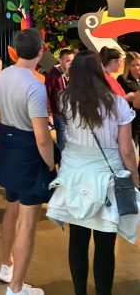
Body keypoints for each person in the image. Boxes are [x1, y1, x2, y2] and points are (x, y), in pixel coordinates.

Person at [47, 50, 140, 295]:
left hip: (75, 175)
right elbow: (126, 149)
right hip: (106, 177)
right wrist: (135, 179)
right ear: (99, 70)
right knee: (105, 244)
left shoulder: (66, 99)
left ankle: (79, 292)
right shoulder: (117, 102)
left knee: (77, 240)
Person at [0, 28, 55, 295]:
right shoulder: (34, 85)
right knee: (28, 222)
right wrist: (52, 167)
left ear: (15, 50)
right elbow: (42, 138)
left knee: (11, 208)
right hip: (29, 154)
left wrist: (12, 127)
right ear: (41, 52)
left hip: (8, 148)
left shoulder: (2, 76)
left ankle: (6, 266)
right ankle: (16, 288)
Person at [45, 49, 75, 151]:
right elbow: (46, 94)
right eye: (67, 61)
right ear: (60, 60)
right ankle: (62, 165)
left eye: (72, 60)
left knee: (72, 144)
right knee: (62, 144)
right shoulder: (53, 75)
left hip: (72, 114)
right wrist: (49, 114)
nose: (70, 63)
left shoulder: (72, 73)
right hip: (59, 115)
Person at [117, 52, 140, 145]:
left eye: (138, 64)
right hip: (131, 120)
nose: (137, 68)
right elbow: (118, 99)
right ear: (127, 66)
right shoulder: (122, 79)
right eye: (133, 65)